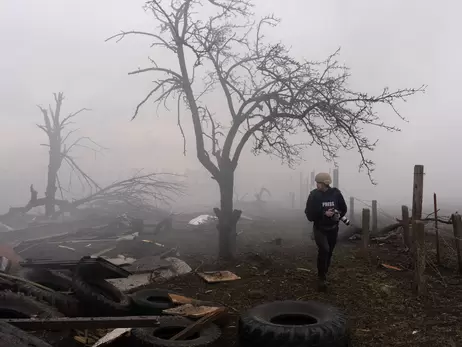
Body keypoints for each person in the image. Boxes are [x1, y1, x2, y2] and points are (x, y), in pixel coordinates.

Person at [305, 172, 347, 292]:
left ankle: (324, 272)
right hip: (319, 228)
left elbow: (343, 209)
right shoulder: (313, 196)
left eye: (319, 183)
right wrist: (323, 213)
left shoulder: (336, 194)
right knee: (324, 250)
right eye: (317, 183)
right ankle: (321, 278)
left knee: (329, 252)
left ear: (325, 183)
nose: (317, 185)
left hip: (333, 228)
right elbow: (309, 214)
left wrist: (336, 212)